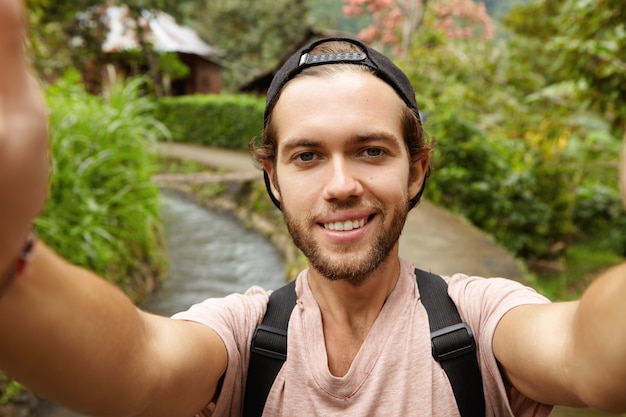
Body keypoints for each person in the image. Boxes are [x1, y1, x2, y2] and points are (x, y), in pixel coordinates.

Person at [1, 1, 626, 416]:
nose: (341, 184)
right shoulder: (245, 340)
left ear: (418, 170)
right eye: (306, 157)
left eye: (371, 151)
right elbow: (136, 366)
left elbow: (586, 354)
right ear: (271, 178)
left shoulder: (480, 324)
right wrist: (7, 246)